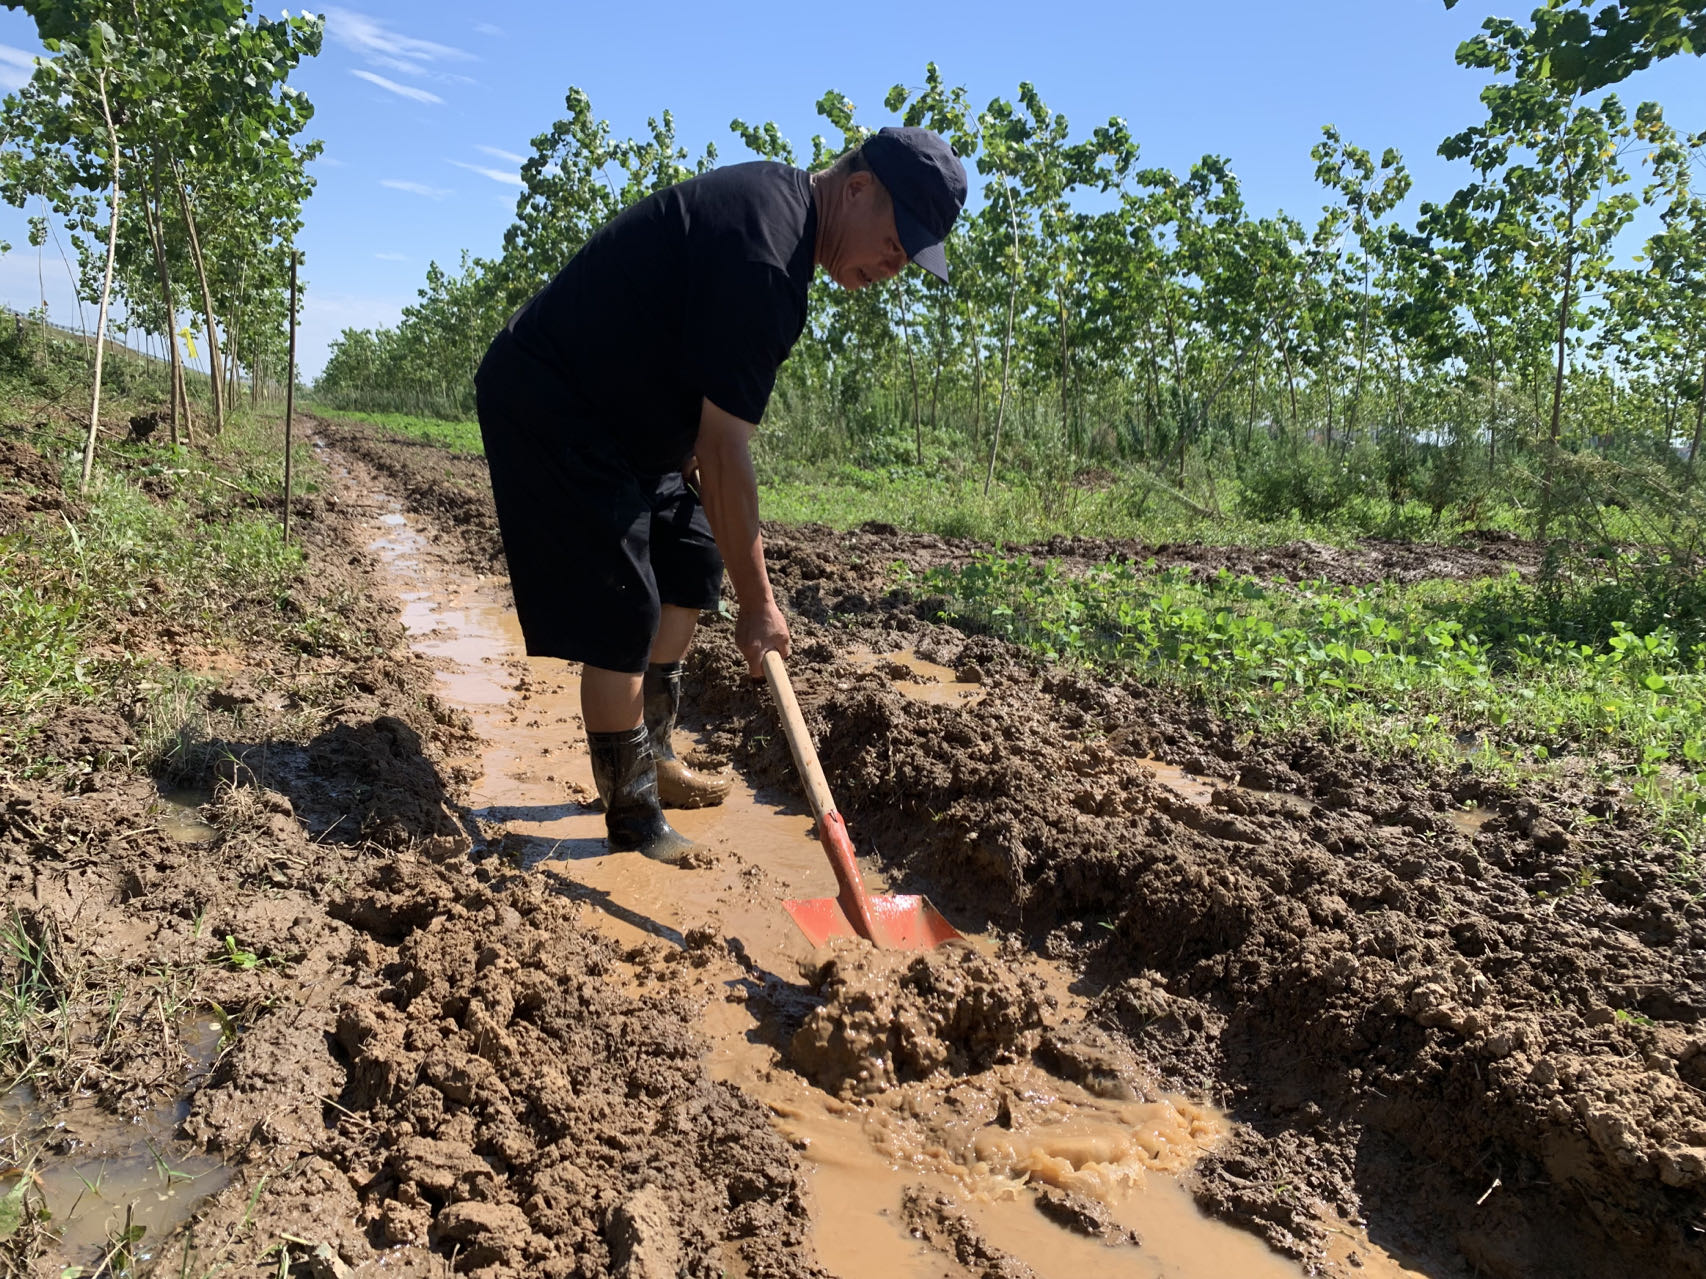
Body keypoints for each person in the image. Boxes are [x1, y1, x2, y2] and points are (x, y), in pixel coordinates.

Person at [475, 126, 967, 864]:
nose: (896, 266)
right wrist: (761, 605)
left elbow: (709, 415)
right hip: (557, 398)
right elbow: (726, 448)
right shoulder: (767, 254)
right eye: (899, 241)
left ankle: (658, 749)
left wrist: (733, 554)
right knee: (624, 604)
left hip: (631, 416)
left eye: (910, 257)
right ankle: (632, 814)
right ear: (858, 188)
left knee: (694, 559)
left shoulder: (784, 225)